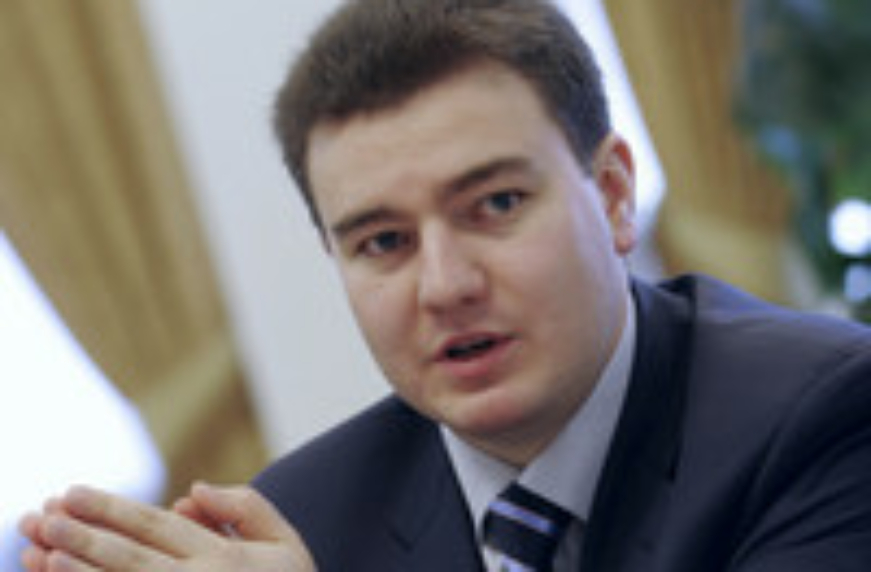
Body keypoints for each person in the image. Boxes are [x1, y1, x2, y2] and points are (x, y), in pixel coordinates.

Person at [19, 0, 871, 570]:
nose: (444, 285)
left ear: (612, 195)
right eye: (383, 242)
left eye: (495, 205)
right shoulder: (304, 518)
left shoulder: (824, 416)